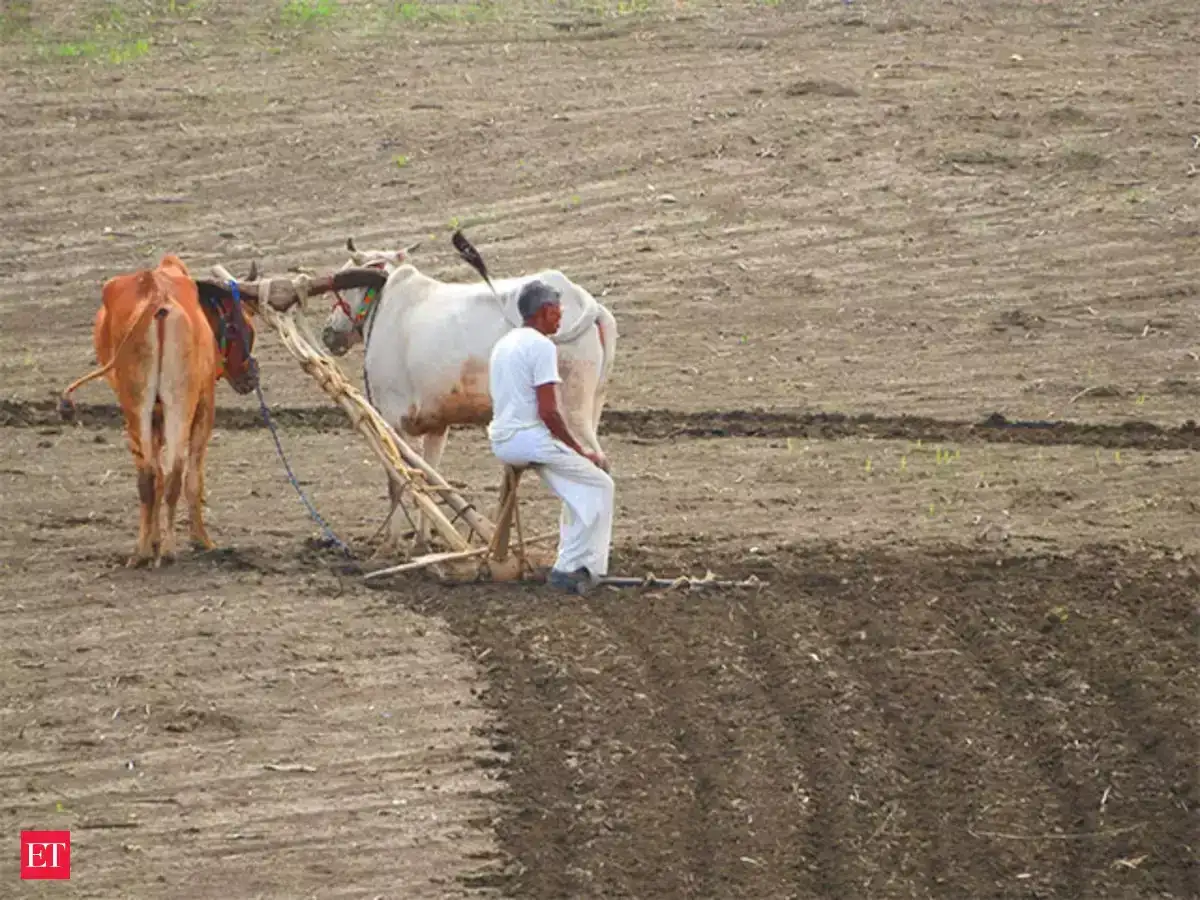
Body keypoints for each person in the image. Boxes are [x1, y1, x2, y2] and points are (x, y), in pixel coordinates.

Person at [487, 280, 614, 594]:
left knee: (578, 489)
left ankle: (573, 562)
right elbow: (549, 412)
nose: (560, 318)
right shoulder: (542, 346)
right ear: (544, 312)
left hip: (502, 438)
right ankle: (572, 568)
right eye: (558, 311)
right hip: (528, 440)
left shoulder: (504, 343)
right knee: (600, 484)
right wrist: (580, 450)